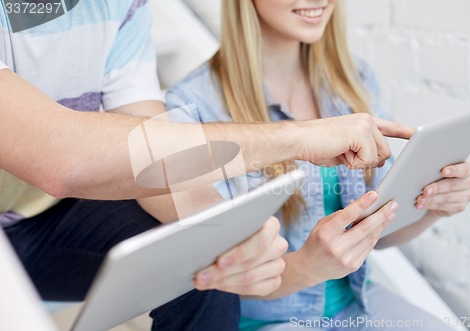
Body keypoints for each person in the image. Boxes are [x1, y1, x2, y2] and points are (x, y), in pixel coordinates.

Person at [0, 1, 413, 330]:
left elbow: (153, 148)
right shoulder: (200, 93)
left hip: (38, 216)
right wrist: (298, 137)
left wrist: (225, 235)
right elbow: (62, 158)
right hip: (30, 207)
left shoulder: (120, 5)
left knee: (199, 250)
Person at [157, 0, 470, 330]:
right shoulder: (194, 107)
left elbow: (378, 234)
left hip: (356, 303)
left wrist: (432, 208)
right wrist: (308, 266)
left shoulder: (355, 79)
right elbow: (211, 276)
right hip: (262, 319)